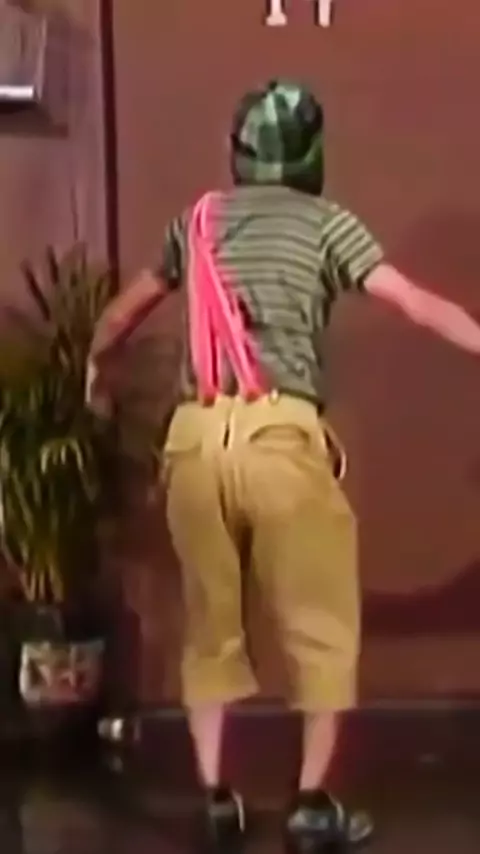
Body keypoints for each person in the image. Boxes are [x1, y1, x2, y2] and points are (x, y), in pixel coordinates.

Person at [86, 80, 480, 853]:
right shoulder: (328, 224)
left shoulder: (197, 223)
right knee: (321, 628)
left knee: (209, 627)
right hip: (281, 441)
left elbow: (119, 317)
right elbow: (415, 303)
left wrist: (97, 374)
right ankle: (310, 806)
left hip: (195, 440)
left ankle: (215, 798)